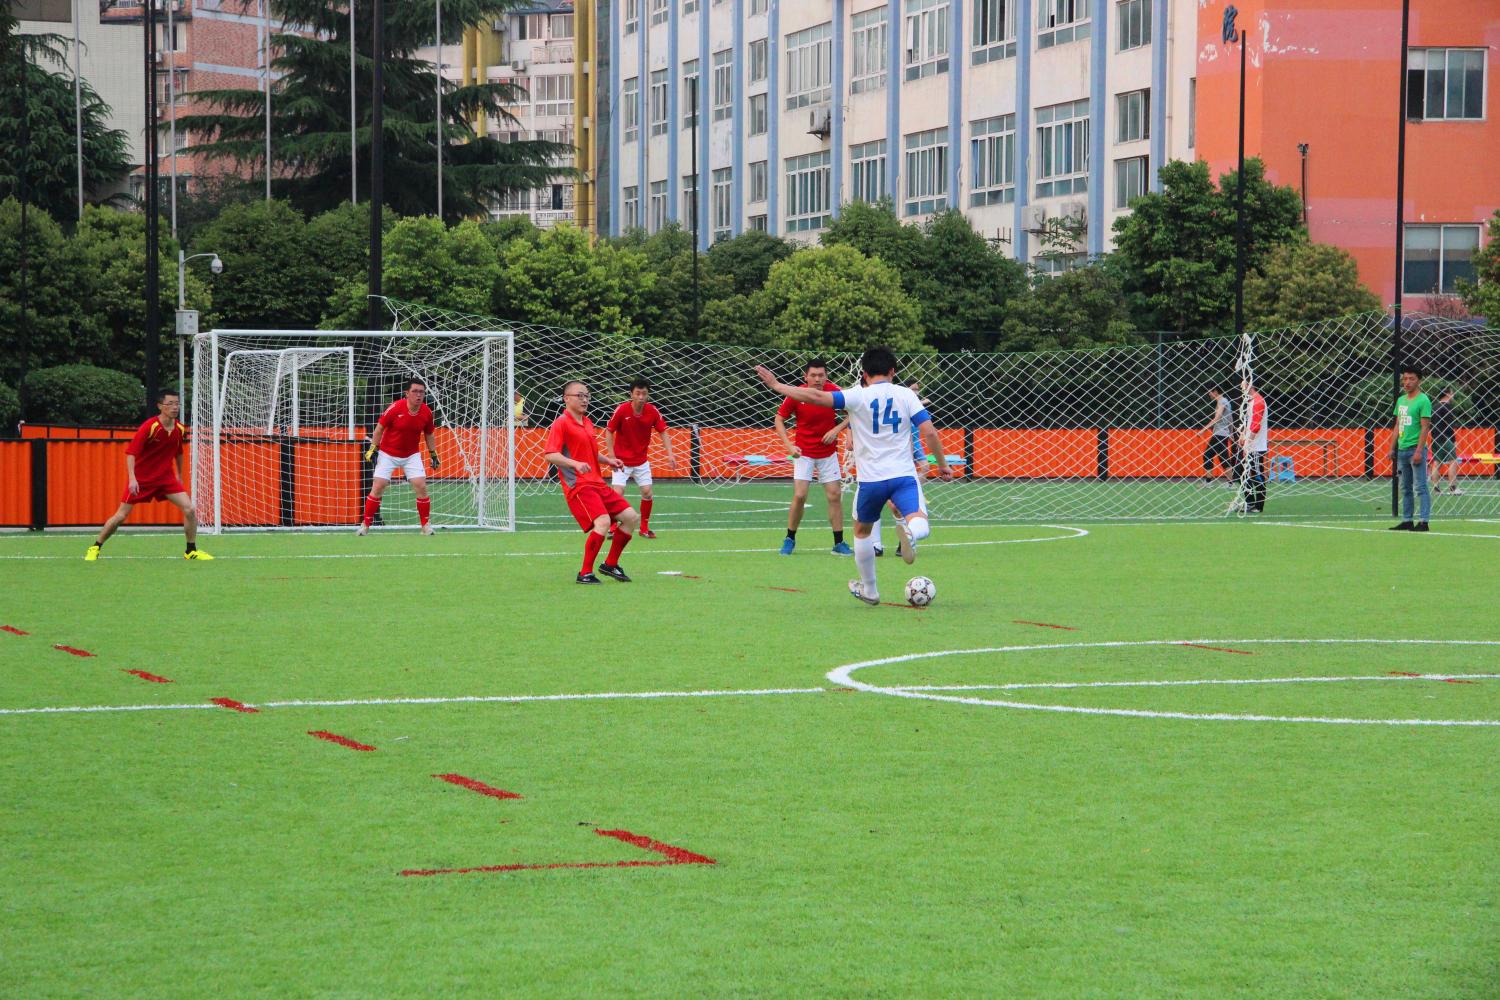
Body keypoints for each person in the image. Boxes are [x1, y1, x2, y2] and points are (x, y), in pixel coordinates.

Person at [756, 347, 953, 606]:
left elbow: (815, 395)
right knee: (919, 520)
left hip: (871, 481)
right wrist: (942, 465)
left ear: (864, 374)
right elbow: (929, 432)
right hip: (903, 477)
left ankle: (870, 590)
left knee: (861, 531)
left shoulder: (857, 395)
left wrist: (777, 385)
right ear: (893, 371)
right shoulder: (906, 394)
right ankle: (912, 533)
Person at [85, 390, 212, 561]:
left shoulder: (180, 429)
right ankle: (95, 547)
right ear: (160, 406)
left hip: (166, 478)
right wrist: (132, 479)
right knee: (120, 516)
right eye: (170, 404)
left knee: (189, 509)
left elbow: (178, 452)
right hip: (142, 479)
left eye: (177, 404)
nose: (175, 407)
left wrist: (179, 475)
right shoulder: (150, 426)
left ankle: (191, 551)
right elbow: (131, 453)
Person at [544, 380, 640, 583]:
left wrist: (609, 461)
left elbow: (591, 453)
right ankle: (585, 573)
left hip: (597, 483)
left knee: (631, 517)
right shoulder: (561, 422)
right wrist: (575, 464)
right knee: (603, 522)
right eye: (579, 395)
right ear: (566, 398)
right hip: (579, 485)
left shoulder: (587, 422)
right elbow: (550, 455)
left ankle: (610, 564)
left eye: (587, 395)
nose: (584, 399)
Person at [773, 358, 852, 556]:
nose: (817, 379)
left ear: (826, 376)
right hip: (803, 453)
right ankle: (789, 538)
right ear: (805, 377)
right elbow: (779, 419)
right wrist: (789, 446)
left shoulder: (834, 392)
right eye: (813, 375)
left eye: (821, 375)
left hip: (828, 453)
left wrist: (836, 429)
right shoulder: (797, 394)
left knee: (834, 495)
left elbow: (854, 412)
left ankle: (839, 543)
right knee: (800, 495)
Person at [360, 379, 440, 536]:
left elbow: (429, 433)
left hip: (411, 455)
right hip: (388, 453)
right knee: (378, 486)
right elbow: (379, 428)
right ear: (407, 393)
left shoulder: (426, 412)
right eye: (415, 391)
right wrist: (373, 448)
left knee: (421, 486)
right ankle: (365, 525)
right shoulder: (395, 408)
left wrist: (433, 454)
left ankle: (425, 526)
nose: (418, 395)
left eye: (421, 392)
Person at [605, 378, 677, 539]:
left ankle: (644, 528)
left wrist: (670, 454)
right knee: (618, 493)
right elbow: (609, 431)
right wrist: (611, 456)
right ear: (631, 394)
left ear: (648, 395)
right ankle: (613, 526)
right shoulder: (622, 410)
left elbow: (663, 431)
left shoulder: (652, 411)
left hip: (641, 461)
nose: (641, 397)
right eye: (638, 393)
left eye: (644, 393)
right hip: (621, 461)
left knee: (647, 492)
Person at [1390, 366, 1432, 532]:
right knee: (1405, 487)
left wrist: (1419, 451)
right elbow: (1398, 424)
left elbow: (1425, 427)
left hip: (1415, 449)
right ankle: (1407, 520)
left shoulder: (1423, 400)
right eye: (1405, 379)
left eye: (1411, 379)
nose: (1407, 382)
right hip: (1402, 449)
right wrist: (1392, 447)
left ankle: (1423, 522)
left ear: (1419, 380)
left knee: (1420, 486)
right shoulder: (1401, 400)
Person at [1238, 379, 1268, 513]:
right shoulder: (1251, 402)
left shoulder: (1258, 402)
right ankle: (1250, 502)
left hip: (1256, 447)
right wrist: (1243, 435)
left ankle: (1258, 506)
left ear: (1249, 385)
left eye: (1243, 384)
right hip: (1250, 445)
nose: (1241, 387)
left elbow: (1256, 427)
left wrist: (1247, 443)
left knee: (1256, 475)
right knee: (1240, 472)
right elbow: (1249, 423)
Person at [1427, 387, 1461, 495]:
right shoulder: (1447, 407)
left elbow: (1430, 424)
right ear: (1447, 394)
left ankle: (1436, 489)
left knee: (1437, 462)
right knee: (1453, 461)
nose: (1453, 395)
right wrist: (1454, 440)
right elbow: (1449, 426)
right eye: (1452, 393)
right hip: (1446, 438)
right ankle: (1453, 488)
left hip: (1435, 438)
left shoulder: (1434, 407)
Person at [1201, 386, 1234, 484]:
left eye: (1210, 392)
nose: (1209, 394)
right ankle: (1229, 483)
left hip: (1220, 434)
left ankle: (1209, 482)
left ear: (1215, 391)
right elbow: (1230, 419)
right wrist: (1231, 432)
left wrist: (1204, 429)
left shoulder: (1222, 402)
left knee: (1208, 455)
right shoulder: (1226, 401)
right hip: (1223, 434)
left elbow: (1217, 417)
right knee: (1220, 457)